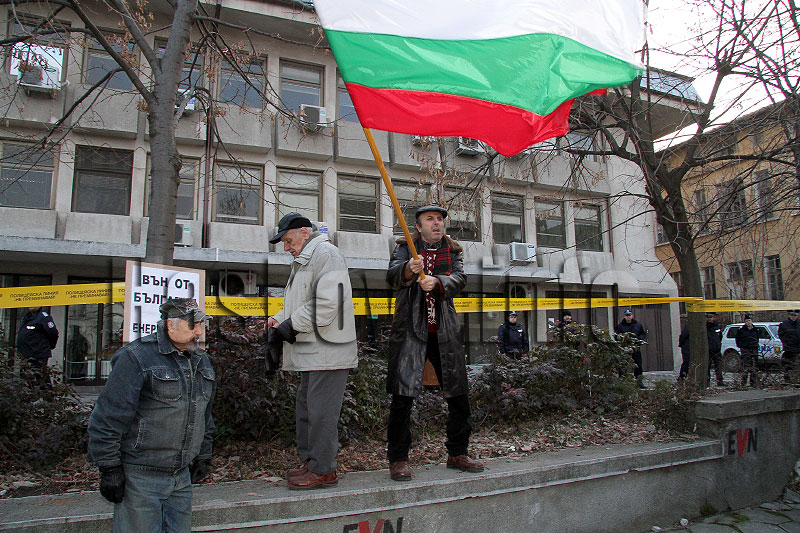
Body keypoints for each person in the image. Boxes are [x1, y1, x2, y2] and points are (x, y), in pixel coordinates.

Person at [87, 298, 215, 533]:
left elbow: (205, 414)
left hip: (181, 478)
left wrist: (203, 455)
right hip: (141, 478)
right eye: (192, 325)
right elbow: (108, 416)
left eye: (202, 325)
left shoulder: (201, 361)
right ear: (170, 326)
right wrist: (109, 468)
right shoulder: (136, 357)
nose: (199, 332)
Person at [385, 205, 483, 482]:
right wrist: (408, 269)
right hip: (410, 332)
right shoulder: (405, 247)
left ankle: (457, 452)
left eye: (440, 219)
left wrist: (438, 283)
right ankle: (398, 459)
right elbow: (392, 276)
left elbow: (460, 279)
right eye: (430, 220)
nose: (437, 223)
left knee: (458, 395)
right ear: (418, 226)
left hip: (444, 331)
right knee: (402, 398)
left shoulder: (453, 251)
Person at [267, 213, 358, 490]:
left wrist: (289, 326)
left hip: (328, 354)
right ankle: (312, 463)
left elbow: (327, 303)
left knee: (320, 413)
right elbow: (302, 302)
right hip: (315, 351)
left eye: (288, 239)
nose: (286, 247)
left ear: (304, 232)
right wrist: (279, 319)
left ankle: (323, 470)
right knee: (307, 409)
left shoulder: (326, 254)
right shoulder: (307, 258)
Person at [16, 305, 59, 389]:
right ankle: (28, 398)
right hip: (25, 354)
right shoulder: (27, 317)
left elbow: (53, 333)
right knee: (25, 377)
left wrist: (49, 346)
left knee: (41, 377)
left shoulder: (43, 317)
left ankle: (48, 399)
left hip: (37, 354)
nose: (31, 305)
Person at [615, 309, 647, 388]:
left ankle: (639, 382)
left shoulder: (638, 325)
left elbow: (642, 333)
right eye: (626, 315)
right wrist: (622, 340)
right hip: (625, 348)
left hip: (635, 348)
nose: (628, 317)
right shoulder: (620, 326)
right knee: (623, 365)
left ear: (632, 316)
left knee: (638, 365)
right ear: (624, 316)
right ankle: (622, 382)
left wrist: (639, 339)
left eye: (629, 315)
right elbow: (616, 335)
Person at [735, 314, 759, 387]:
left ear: (752, 321)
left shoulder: (756, 330)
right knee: (745, 366)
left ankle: (753, 382)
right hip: (745, 349)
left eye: (749, 321)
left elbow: (757, 338)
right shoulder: (741, 330)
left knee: (754, 366)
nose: (748, 322)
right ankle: (743, 382)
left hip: (754, 349)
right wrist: (741, 346)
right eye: (746, 321)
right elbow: (737, 339)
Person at [778, 310, 800, 383]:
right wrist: (787, 343)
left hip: (798, 348)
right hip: (789, 349)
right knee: (788, 366)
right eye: (792, 315)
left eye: (795, 315)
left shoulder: (799, 323)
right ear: (789, 315)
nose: (794, 317)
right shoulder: (784, 324)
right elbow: (781, 335)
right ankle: (788, 381)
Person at [707, 313, 724, 386]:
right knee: (707, 366)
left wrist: (718, 345)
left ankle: (720, 381)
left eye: (711, 317)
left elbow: (720, 336)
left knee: (718, 366)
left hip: (716, 350)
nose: (710, 318)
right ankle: (707, 382)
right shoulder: (705, 327)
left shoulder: (717, 326)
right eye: (708, 317)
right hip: (708, 350)